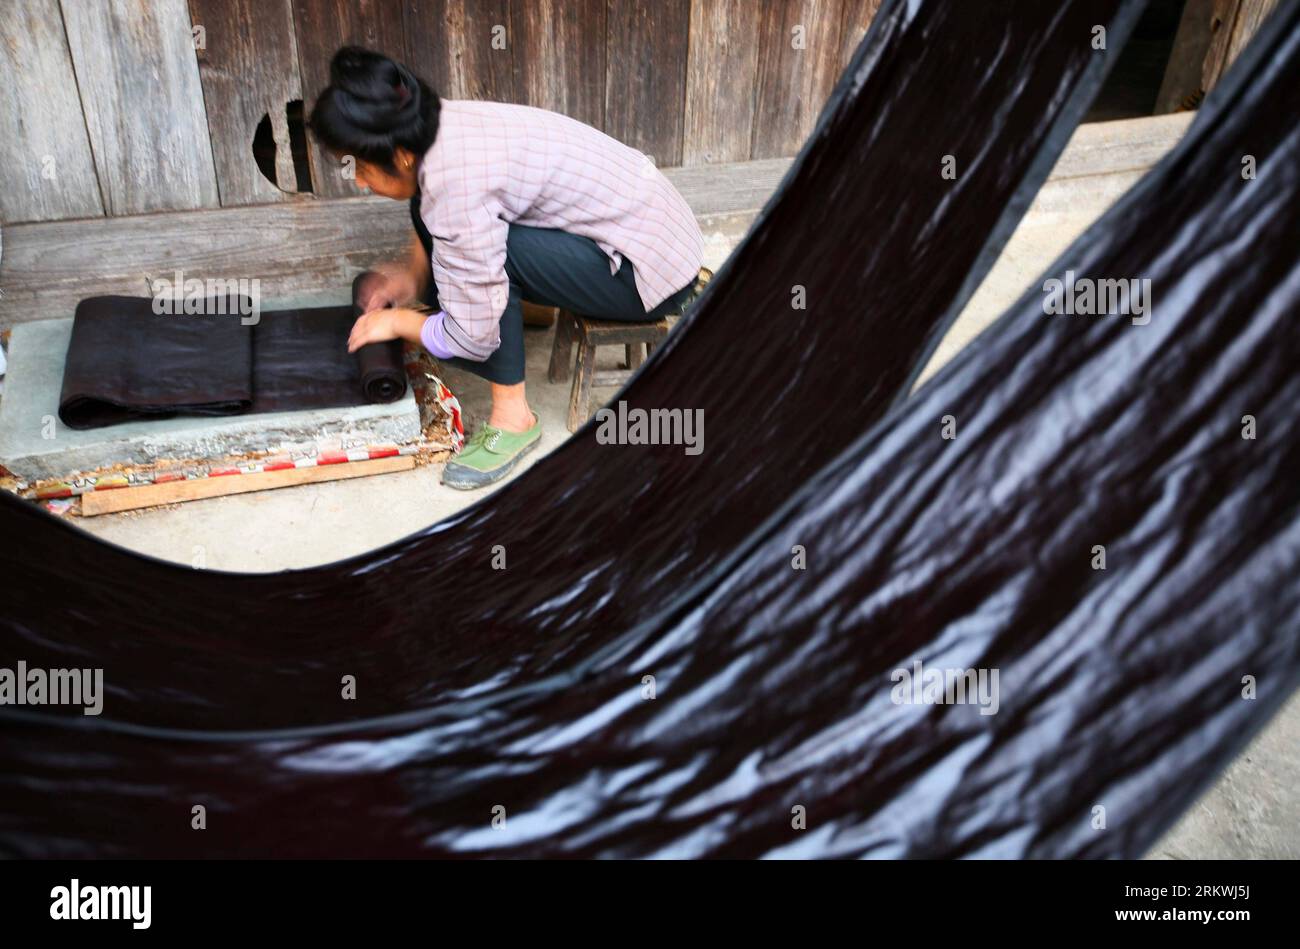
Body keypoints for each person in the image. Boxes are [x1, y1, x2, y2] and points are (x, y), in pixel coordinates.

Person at [308, 46, 705, 489]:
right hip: (651, 234)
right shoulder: (437, 125)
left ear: (399, 154)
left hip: (647, 272)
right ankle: (526, 305)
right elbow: (438, 213)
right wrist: (409, 275)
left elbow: (471, 337)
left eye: (362, 166)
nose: (359, 180)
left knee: (491, 265)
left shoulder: (456, 186)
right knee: (454, 244)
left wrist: (399, 322)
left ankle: (514, 417)